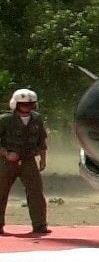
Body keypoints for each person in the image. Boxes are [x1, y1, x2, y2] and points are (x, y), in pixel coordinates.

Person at [0, 88, 50, 236]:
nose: (27, 108)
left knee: (36, 193)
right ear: (15, 105)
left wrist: (43, 159)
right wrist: (6, 153)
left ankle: (40, 225)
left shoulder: (37, 119)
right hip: (5, 163)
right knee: (1, 192)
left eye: (30, 105)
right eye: (23, 105)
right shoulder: (4, 120)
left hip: (28, 161)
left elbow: (42, 141)